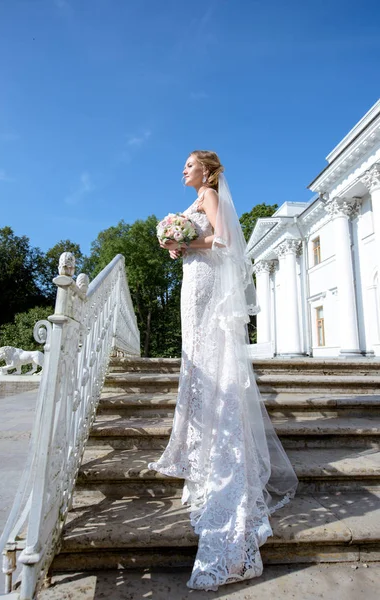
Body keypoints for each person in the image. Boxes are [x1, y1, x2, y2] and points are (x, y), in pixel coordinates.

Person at [148, 151, 298, 591]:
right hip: (192, 282)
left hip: (208, 282)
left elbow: (227, 242)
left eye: (189, 165)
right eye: (183, 166)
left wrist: (184, 243)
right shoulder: (194, 203)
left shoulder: (210, 195)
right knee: (196, 359)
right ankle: (200, 447)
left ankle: (219, 455)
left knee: (211, 356)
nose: (184, 170)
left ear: (207, 170)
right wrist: (178, 245)